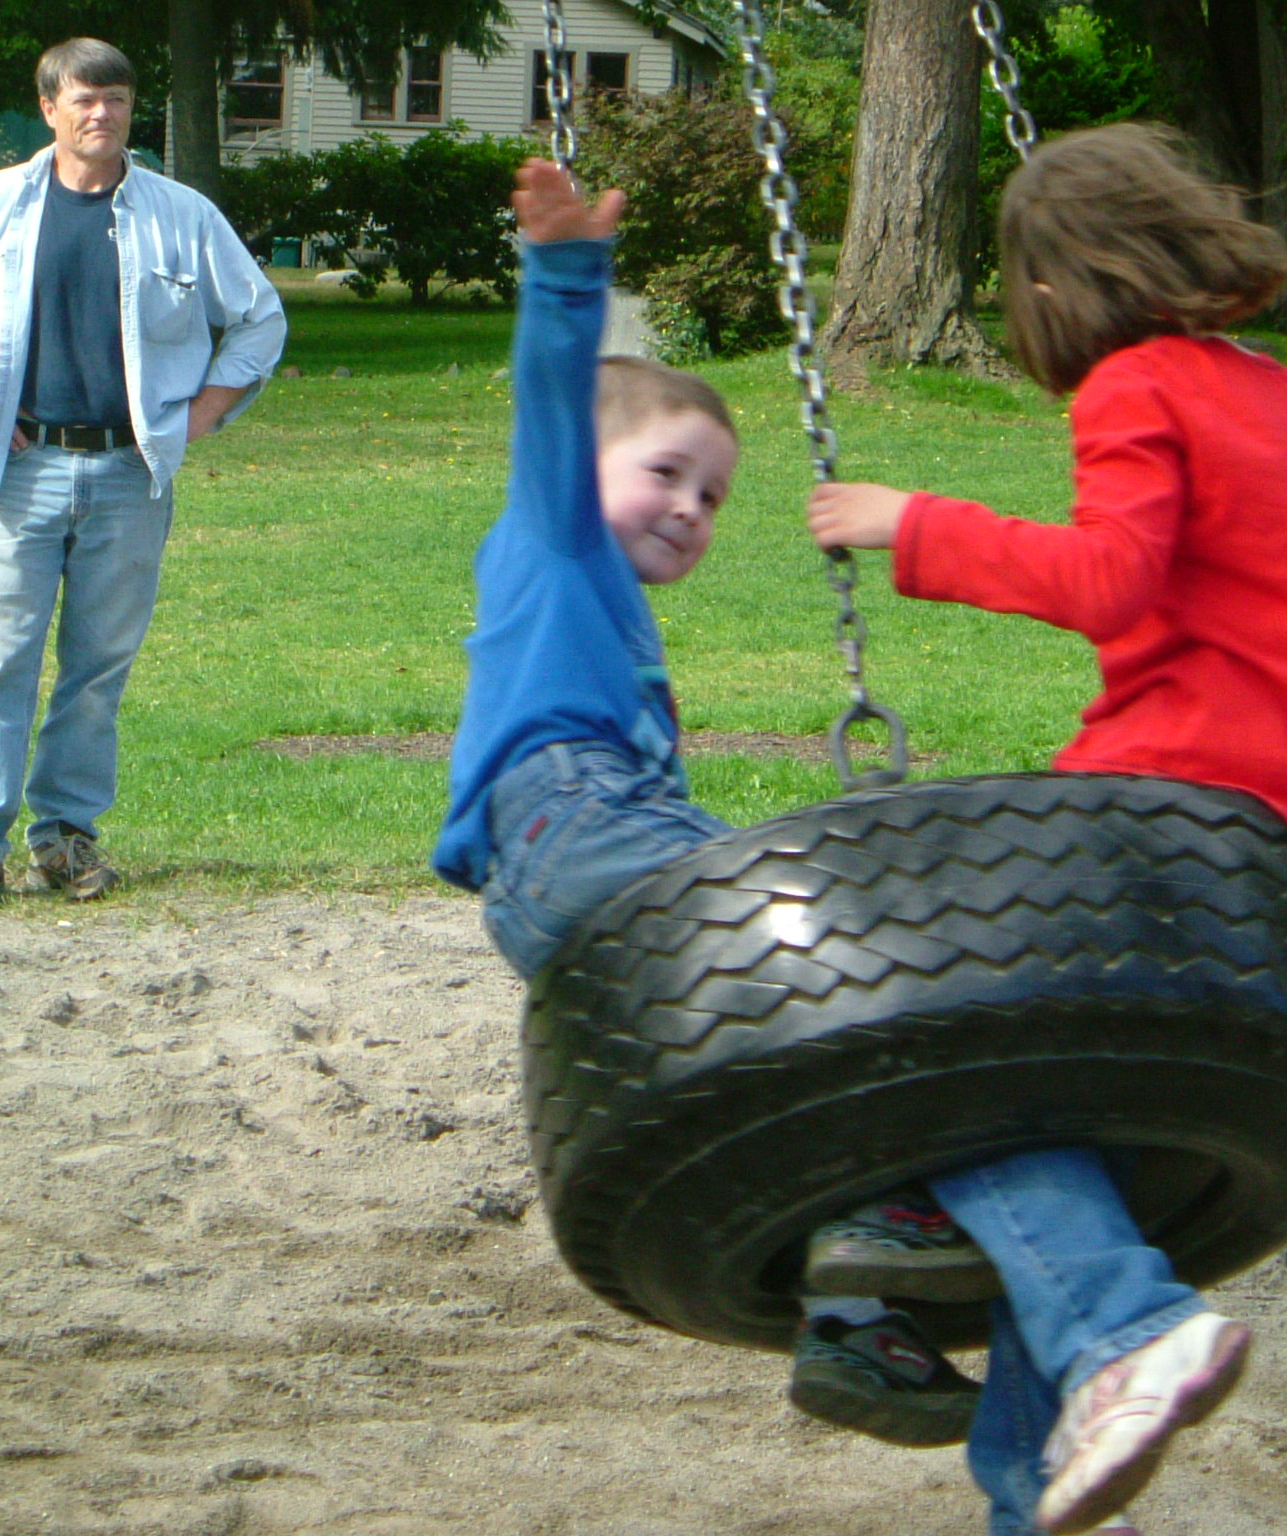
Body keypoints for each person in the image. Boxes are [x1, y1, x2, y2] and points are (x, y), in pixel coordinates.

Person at [803, 124, 1287, 1536]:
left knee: (954, 1038)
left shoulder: (1135, 386)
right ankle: (1042, 1490)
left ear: (1053, 282)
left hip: (1169, 804)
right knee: (1076, 1137)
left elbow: (1110, 581)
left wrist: (913, 521)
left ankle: (1121, 1326)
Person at [432, 159, 985, 1450]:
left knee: (758, 1065)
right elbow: (551, 399)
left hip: (556, 874)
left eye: (712, 497)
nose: (689, 509)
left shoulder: (613, 618)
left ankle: (851, 1318)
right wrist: (565, 273)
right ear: (581, 471)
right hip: (577, 824)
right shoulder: (554, 543)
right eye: (667, 474)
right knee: (836, 933)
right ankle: (893, 1209)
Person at [0, 37, 285, 912]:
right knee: (2, 663)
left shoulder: (182, 215)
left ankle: (64, 839)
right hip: (23, 474)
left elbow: (260, 320)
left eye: (117, 99)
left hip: (129, 476)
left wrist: (200, 415)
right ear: (49, 109)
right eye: (84, 99)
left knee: (97, 670)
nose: (102, 114)